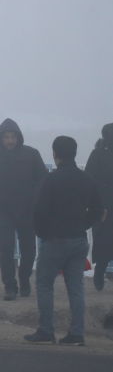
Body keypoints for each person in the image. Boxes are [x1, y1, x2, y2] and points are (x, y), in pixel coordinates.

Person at [24, 136, 105, 346]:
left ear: (54, 154)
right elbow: (97, 210)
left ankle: (46, 330)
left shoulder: (51, 180)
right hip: (79, 240)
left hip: (55, 241)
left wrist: (42, 233)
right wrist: (82, 225)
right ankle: (76, 333)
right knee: (76, 288)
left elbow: (39, 211)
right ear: (75, 153)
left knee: (44, 284)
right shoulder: (87, 179)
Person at [0, 118, 48, 301]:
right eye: (6, 137)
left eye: (13, 137)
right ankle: (9, 286)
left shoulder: (32, 154)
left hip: (27, 209)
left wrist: (34, 197)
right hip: (3, 210)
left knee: (29, 248)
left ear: (18, 137)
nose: (10, 141)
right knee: (6, 248)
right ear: (0, 139)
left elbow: (42, 178)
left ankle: (24, 279)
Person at [85, 123, 113, 291]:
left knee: (104, 240)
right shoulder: (97, 154)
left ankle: (101, 273)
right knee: (103, 240)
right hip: (103, 207)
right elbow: (89, 179)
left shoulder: (97, 154)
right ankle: (100, 273)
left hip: (102, 205)